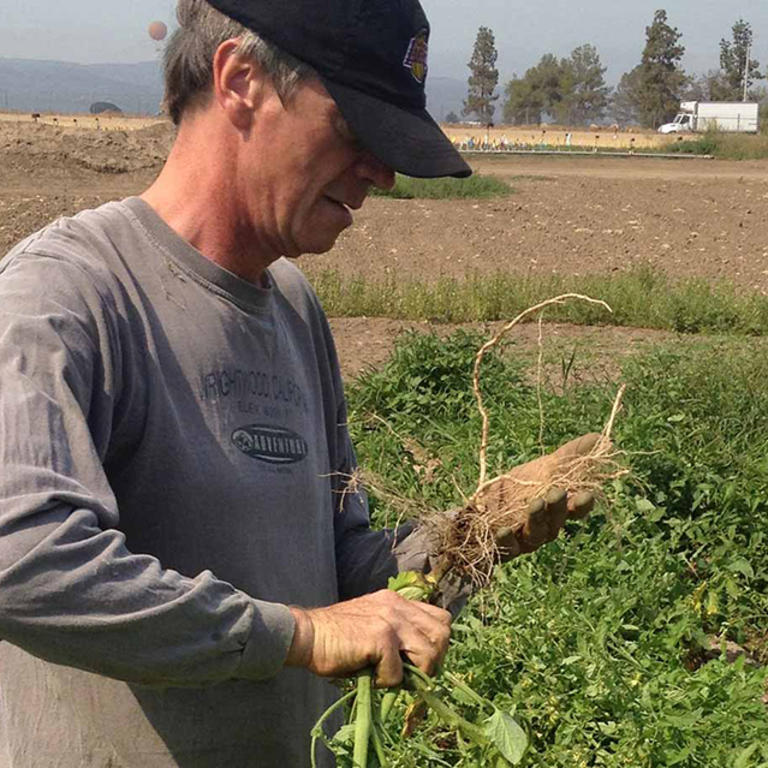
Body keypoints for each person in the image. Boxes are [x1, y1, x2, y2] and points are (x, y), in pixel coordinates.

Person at [0, 1, 595, 766]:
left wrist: (475, 537)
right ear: (241, 81)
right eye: (355, 129)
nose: (380, 172)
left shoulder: (291, 306)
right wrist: (300, 635)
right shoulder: (70, 293)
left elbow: (342, 572)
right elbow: (21, 555)